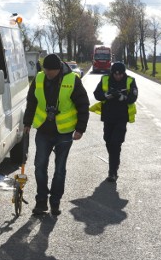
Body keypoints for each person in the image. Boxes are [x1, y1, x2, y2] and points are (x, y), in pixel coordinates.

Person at [23, 53, 89, 216]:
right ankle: (41, 202)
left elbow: (83, 104)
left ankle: (55, 202)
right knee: (39, 167)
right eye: (46, 71)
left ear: (59, 68)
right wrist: (27, 123)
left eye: (52, 71)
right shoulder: (39, 79)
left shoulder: (72, 80)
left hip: (64, 133)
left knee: (60, 169)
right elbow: (31, 101)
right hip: (43, 130)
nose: (49, 74)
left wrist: (80, 128)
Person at [92, 61, 138, 183]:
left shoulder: (130, 80)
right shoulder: (105, 79)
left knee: (115, 143)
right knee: (108, 141)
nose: (118, 76)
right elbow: (96, 94)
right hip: (108, 116)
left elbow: (133, 97)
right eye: (116, 74)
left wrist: (123, 97)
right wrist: (107, 95)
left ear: (124, 73)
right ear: (112, 73)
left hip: (122, 117)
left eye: (120, 74)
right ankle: (115, 160)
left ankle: (112, 172)